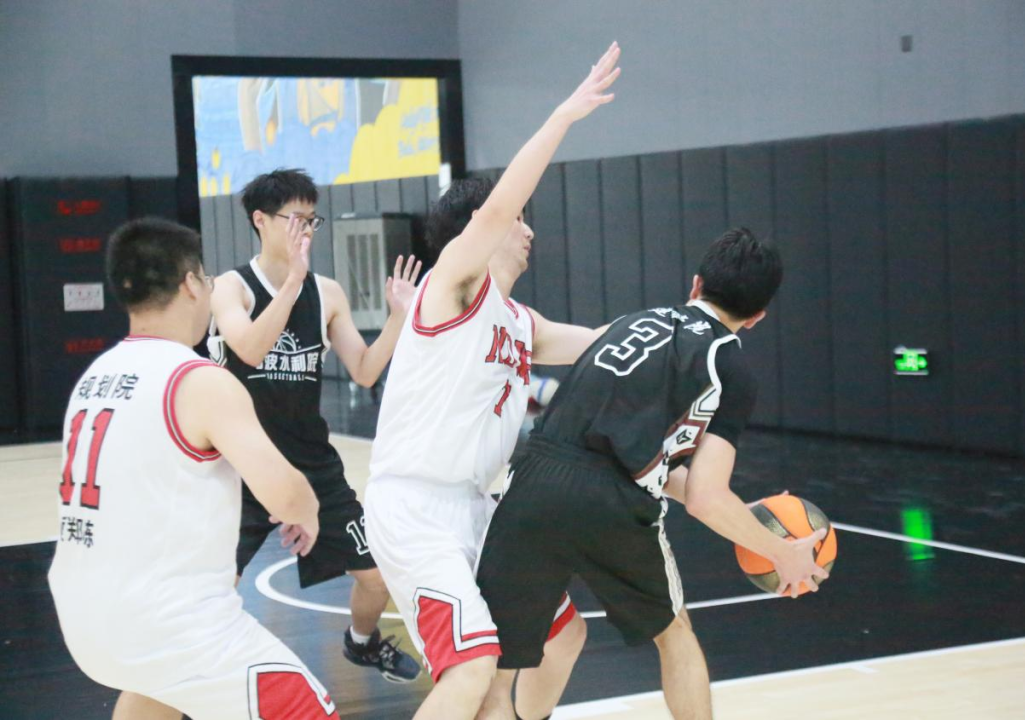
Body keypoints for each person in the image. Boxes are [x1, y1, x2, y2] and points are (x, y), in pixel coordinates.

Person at [364, 43, 623, 720]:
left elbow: (603, 342)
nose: (527, 230)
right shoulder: (450, 287)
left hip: (478, 508)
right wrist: (563, 116)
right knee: (473, 666)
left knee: (561, 638)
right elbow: (496, 211)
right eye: (519, 220)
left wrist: (691, 324)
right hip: (416, 508)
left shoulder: (518, 320)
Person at [476, 227, 830, 720]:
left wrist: (742, 514)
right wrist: (780, 552)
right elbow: (705, 497)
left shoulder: (630, 323)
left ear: (696, 284)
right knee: (675, 635)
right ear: (757, 317)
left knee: (499, 668)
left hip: (533, 481)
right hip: (613, 503)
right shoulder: (728, 363)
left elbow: (631, 457)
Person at [49, 217, 338, 720]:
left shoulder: (94, 377)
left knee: (154, 691)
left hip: (82, 618)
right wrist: (307, 510)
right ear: (189, 284)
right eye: (206, 279)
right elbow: (287, 496)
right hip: (171, 626)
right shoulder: (198, 378)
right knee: (311, 709)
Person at [208, 168, 422, 682]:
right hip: (243, 466)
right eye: (294, 219)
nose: (304, 229)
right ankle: (202, 679)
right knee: (215, 588)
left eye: (311, 219)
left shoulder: (327, 293)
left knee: (377, 578)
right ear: (260, 220)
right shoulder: (230, 288)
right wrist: (291, 284)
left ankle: (362, 643)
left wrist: (399, 317)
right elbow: (249, 348)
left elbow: (365, 370)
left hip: (311, 464)